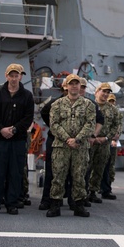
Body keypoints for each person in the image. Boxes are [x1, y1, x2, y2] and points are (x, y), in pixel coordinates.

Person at [0, 64, 34, 215]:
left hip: (17, 140)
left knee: (15, 172)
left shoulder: (27, 96)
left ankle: (12, 203)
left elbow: (28, 117)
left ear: (20, 76)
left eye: (16, 75)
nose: (14, 78)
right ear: (6, 76)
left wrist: (14, 129)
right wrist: (1, 129)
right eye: (11, 75)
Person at [46, 74, 92, 217]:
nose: (74, 86)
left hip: (80, 147)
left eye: (76, 84)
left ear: (80, 86)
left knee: (79, 176)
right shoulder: (57, 104)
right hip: (61, 146)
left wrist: (77, 139)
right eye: (71, 84)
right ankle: (55, 204)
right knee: (58, 176)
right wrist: (67, 139)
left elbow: (90, 124)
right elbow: (54, 125)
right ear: (65, 86)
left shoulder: (88, 104)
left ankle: (79, 205)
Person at [87, 83, 118, 203]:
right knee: (86, 167)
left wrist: (106, 138)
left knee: (99, 168)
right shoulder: (88, 105)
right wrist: (90, 137)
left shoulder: (112, 109)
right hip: (90, 141)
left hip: (104, 143)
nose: (105, 94)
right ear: (97, 91)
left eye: (108, 92)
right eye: (103, 91)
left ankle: (93, 192)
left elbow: (116, 126)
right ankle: (82, 192)